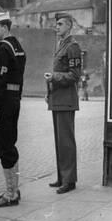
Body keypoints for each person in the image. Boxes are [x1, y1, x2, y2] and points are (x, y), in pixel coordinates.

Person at [0, 12, 26, 208]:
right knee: (10, 144)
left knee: (4, 148)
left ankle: (11, 194)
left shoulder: (4, 49)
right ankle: (14, 189)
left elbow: (0, 82)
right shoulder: (17, 46)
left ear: (5, 27)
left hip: (4, 103)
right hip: (14, 100)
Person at [44, 13, 81, 194]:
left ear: (69, 26)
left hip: (66, 100)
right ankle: (62, 176)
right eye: (56, 24)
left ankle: (69, 180)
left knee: (66, 141)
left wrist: (55, 77)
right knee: (60, 141)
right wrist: (48, 92)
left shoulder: (73, 47)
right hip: (57, 98)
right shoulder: (60, 45)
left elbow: (75, 76)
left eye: (60, 24)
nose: (56, 27)